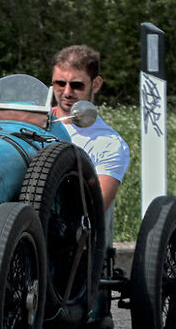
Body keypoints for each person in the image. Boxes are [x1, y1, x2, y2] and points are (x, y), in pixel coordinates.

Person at [48, 43, 131, 209]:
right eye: (60, 84)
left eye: (77, 85)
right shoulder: (33, 122)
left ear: (96, 84)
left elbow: (95, 209)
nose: (67, 92)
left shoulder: (108, 144)